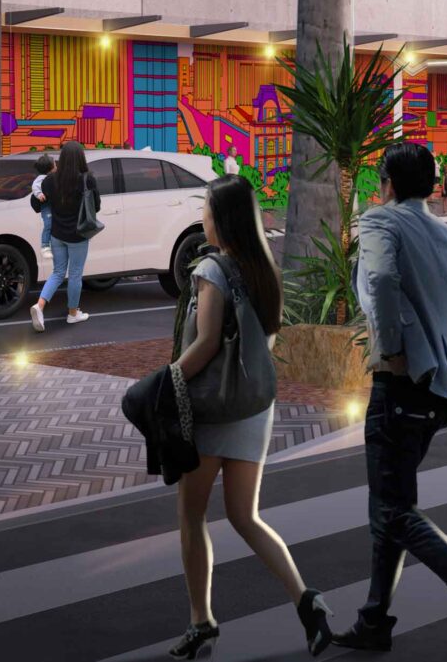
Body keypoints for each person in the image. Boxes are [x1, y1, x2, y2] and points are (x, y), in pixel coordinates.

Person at [335, 142, 447, 656]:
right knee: (390, 505)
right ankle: (374, 621)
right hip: (439, 397)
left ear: (388, 185)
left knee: (393, 510)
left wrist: (391, 350)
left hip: (400, 387)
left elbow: (380, 278)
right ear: (434, 186)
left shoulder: (380, 223)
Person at [165, 174, 333, 658]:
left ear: (221, 218)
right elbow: (264, 344)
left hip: (212, 411)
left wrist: (166, 381)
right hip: (254, 409)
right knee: (245, 516)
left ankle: (202, 621)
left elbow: (206, 343)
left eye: (206, 209)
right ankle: (307, 601)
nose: (202, 217)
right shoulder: (264, 270)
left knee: (191, 517)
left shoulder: (213, 272)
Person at [30, 138, 99, 332]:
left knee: (58, 272)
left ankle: (39, 305)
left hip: (57, 234)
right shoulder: (87, 178)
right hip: (78, 234)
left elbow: (37, 205)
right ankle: (72, 314)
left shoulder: (51, 179)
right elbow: (97, 206)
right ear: (80, 158)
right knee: (75, 274)